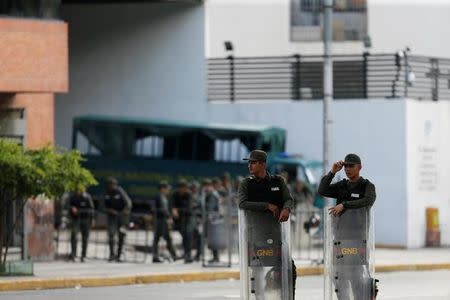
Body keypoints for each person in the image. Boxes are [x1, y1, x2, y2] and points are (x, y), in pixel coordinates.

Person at [238, 149, 297, 298]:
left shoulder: (278, 181)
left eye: (253, 162)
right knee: (256, 273)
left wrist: (287, 208)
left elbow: (288, 199)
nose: (249, 166)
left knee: (289, 269)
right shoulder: (247, 183)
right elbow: (243, 203)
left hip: (276, 236)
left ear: (263, 164)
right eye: (249, 163)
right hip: (255, 236)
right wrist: (267, 206)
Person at [317, 153, 376, 300]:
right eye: (346, 166)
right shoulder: (342, 186)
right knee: (338, 276)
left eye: (351, 166)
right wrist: (332, 172)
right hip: (340, 238)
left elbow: (367, 201)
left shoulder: (367, 186)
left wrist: (345, 204)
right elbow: (322, 190)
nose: (348, 169)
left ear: (359, 167)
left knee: (356, 277)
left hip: (357, 238)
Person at [103, 177, 132, 262]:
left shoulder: (120, 191)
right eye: (110, 185)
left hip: (122, 217)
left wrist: (125, 211)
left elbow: (128, 203)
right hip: (112, 217)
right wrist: (109, 210)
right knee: (111, 235)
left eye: (113, 185)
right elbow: (102, 207)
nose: (112, 187)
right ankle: (112, 255)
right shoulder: (106, 193)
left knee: (121, 235)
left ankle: (119, 256)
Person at [152, 181, 178, 263]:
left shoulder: (163, 197)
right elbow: (162, 209)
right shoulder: (160, 197)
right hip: (161, 221)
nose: (168, 190)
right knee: (166, 238)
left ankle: (157, 256)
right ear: (162, 189)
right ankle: (173, 255)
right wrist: (168, 217)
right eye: (167, 189)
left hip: (161, 220)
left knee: (160, 238)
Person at [67, 187, 95, 262]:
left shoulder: (87, 197)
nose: (80, 191)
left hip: (85, 219)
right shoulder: (73, 197)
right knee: (74, 236)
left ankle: (83, 255)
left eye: (82, 189)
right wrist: (72, 208)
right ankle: (73, 254)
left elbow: (92, 209)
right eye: (79, 189)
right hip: (76, 220)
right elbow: (68, 206)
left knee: (85, 238)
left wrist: (92, 219)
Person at [172, 179, 195, 263]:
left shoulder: (189, 194)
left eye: (184, 188)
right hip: (180, 219)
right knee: (184, 236)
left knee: (188, 235)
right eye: (181, 188)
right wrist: (174, 210)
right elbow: (173, 205)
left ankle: (188, 254)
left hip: (189, 218)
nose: (182, 190)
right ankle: (186, 253)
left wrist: (178, 209)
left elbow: (188, 208)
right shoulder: (175, 194)